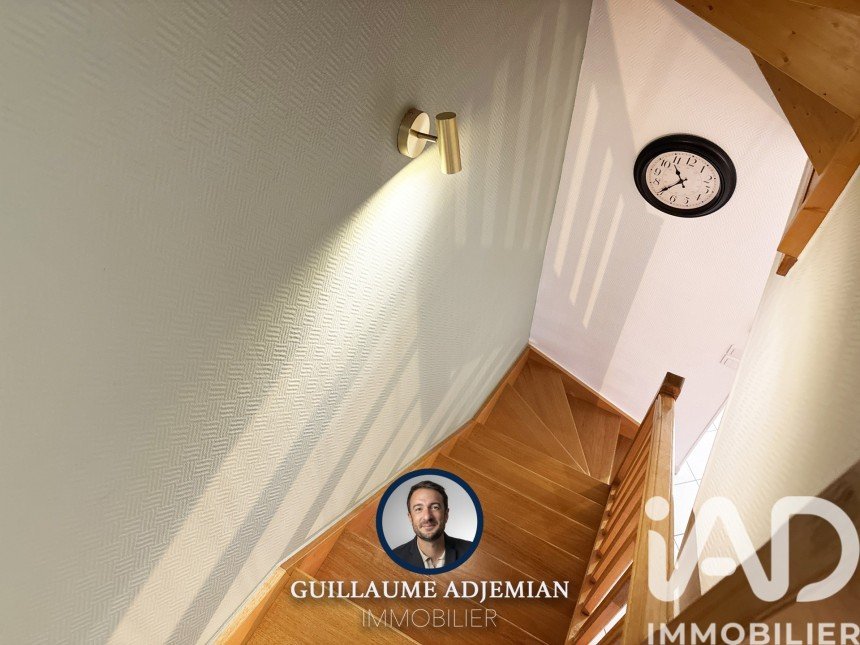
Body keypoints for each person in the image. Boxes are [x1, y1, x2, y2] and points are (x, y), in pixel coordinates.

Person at [392, 480, 473, 570]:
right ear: (410, 517)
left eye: (435, 507)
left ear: (446, 514)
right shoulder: (393, 559)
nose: (427, 517)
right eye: (419, 509)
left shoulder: (472, 551)